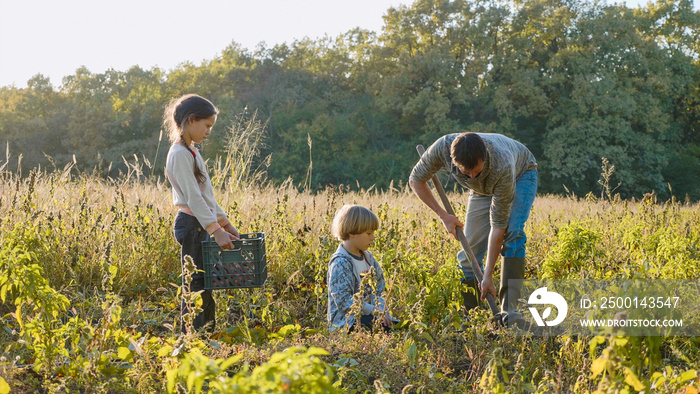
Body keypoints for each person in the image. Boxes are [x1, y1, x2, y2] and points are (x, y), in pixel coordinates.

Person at [409, 132, 537, 325]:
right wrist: (444, 216)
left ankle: (510, 313)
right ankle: (472, 316)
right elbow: (416, 180)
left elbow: (498, 227)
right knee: (469, 251)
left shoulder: (502, 165)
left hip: (520, 174)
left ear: (484, 156)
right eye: (466, 173)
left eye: (476, 171)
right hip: (481, 190)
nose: (472, 176)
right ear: (453, 161)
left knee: (513, 233)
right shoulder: (442, 148)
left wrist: (488, 276)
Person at [164, 94, 240, 333]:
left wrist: (224, 222)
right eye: (206, 126)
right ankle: (193, 336)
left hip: (200, 223)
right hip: (192, 224)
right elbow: (194, 198)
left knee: (206, 282)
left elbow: (205, 195)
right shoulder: (179, 154)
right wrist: (215, 230)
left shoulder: (192, 152)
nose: (209, 131)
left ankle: (207, 333)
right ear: (191, 120)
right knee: (195, 283)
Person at [327, 204, 396, 332]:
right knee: (379, 326)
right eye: (369, 233)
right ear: (352, 232)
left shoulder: (369, 259)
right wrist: (372, 310)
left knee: (395, 326)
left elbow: (379, 290)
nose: (373, 237)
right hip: (346, 322)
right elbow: (343, 301)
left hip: (370, 315)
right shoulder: (341, 262)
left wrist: (381, 309)